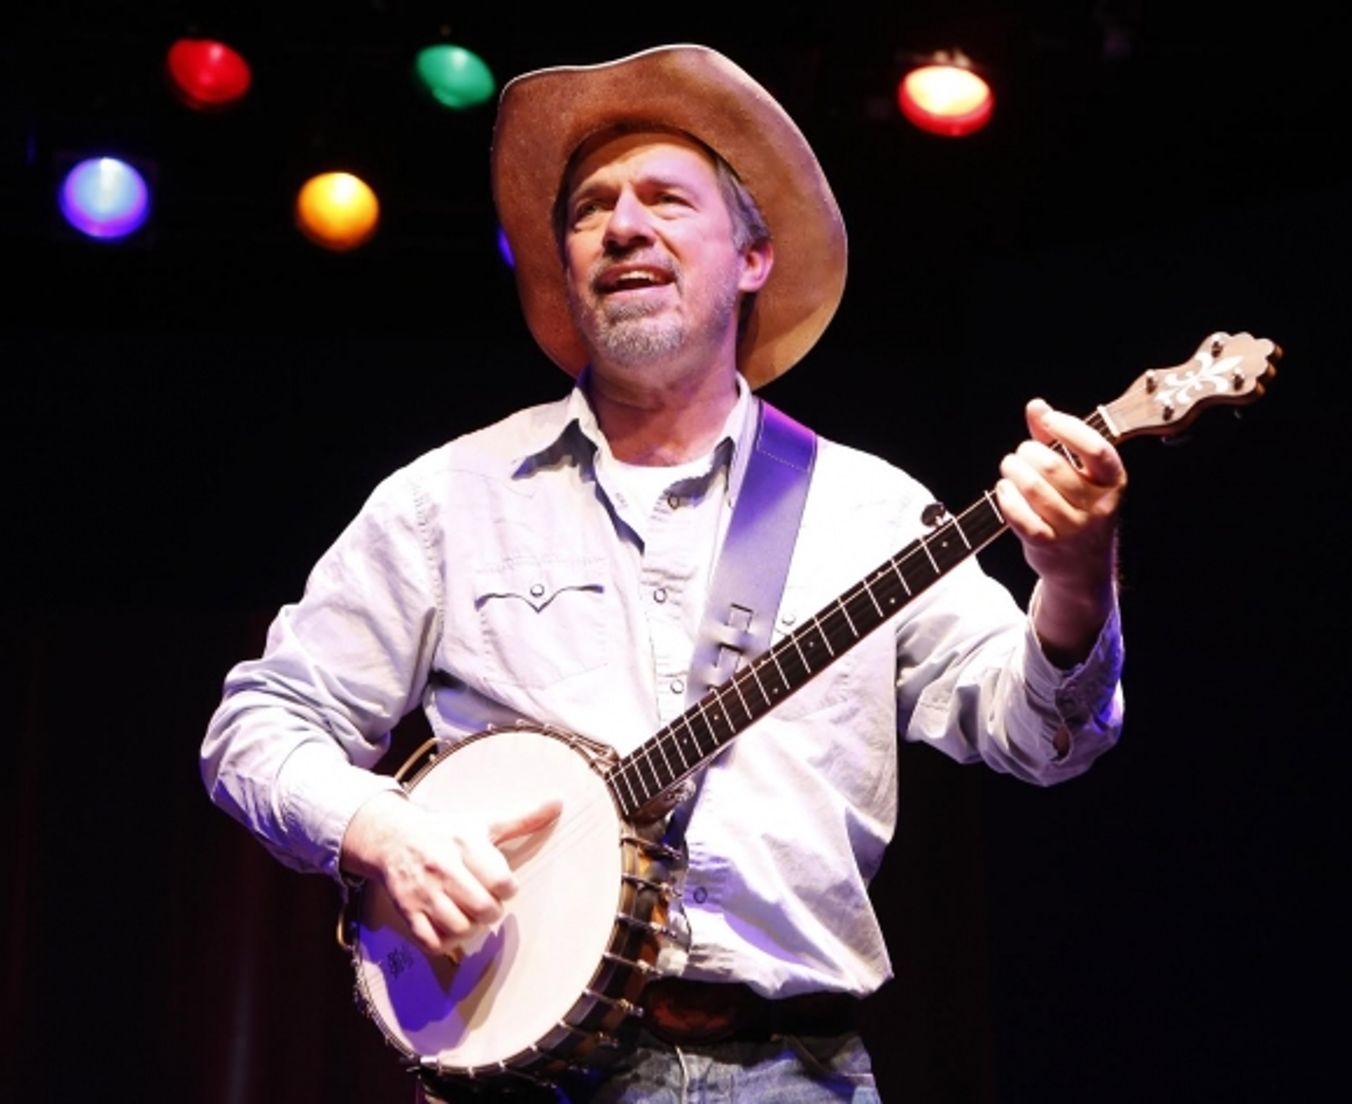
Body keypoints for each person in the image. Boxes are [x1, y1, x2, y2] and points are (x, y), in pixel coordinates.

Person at [201, 43, 1126, 1103]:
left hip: (795, 1071)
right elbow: (258, 726)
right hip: (520, 1078)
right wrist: (383, 831)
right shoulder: (445, 499)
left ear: (751, 257)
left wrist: (1075, 575)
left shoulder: (866, 509)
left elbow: (1041, 737)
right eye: (591, 208)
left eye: (664, 199)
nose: (623, 225)